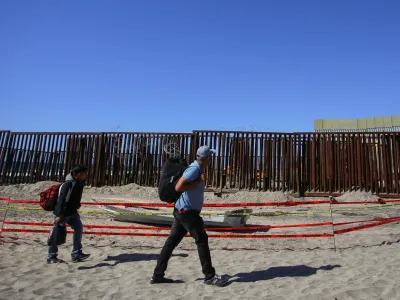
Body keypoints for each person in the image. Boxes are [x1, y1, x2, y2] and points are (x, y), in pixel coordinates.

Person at [151, 146, 228, 287]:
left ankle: (158, 275)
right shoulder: (194, 169)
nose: (211, 159)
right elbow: (178, 187)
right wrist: (198, 182)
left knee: (171, 243)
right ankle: (209, 276)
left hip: (182, 211)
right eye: (210, 157)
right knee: (202, 240)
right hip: (187, 213)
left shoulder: (197, 168)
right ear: (206, 159)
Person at [47, 165, 90, 264]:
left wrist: (77, 205)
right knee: (56, 233)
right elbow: (61, 200)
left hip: (72, 212)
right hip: (63, 213)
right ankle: (51, 256)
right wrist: (59, 215)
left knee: (78, 228)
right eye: (84, 173)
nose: (86, 175)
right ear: (78, 174)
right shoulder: (68, 184)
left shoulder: (78, 183)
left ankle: (76, 253)